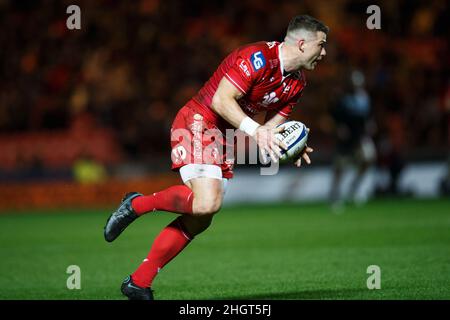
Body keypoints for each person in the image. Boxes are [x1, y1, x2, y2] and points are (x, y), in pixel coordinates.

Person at [104, 15, 328, 300]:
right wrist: (255, 130)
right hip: (199, 119)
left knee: (201, 218)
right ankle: (136, 204)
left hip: (223, 136)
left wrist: (289, 146)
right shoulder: (257, 57)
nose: (324, 53)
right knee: (207, 202)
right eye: (321, 45)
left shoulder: (297, 83)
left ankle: (138, 282)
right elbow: (220, 100)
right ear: (301, 43)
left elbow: (271, 130)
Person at [329, 69, 376, 210]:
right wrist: (339, 128)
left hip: (360, 136)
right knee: (340, 167)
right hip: (346, 138)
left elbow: (367, 115)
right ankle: (335, 195)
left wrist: (370, 124)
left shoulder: (364, 98)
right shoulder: (342, 98)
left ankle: (354, 187)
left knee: (368, 159)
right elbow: (334, 115)